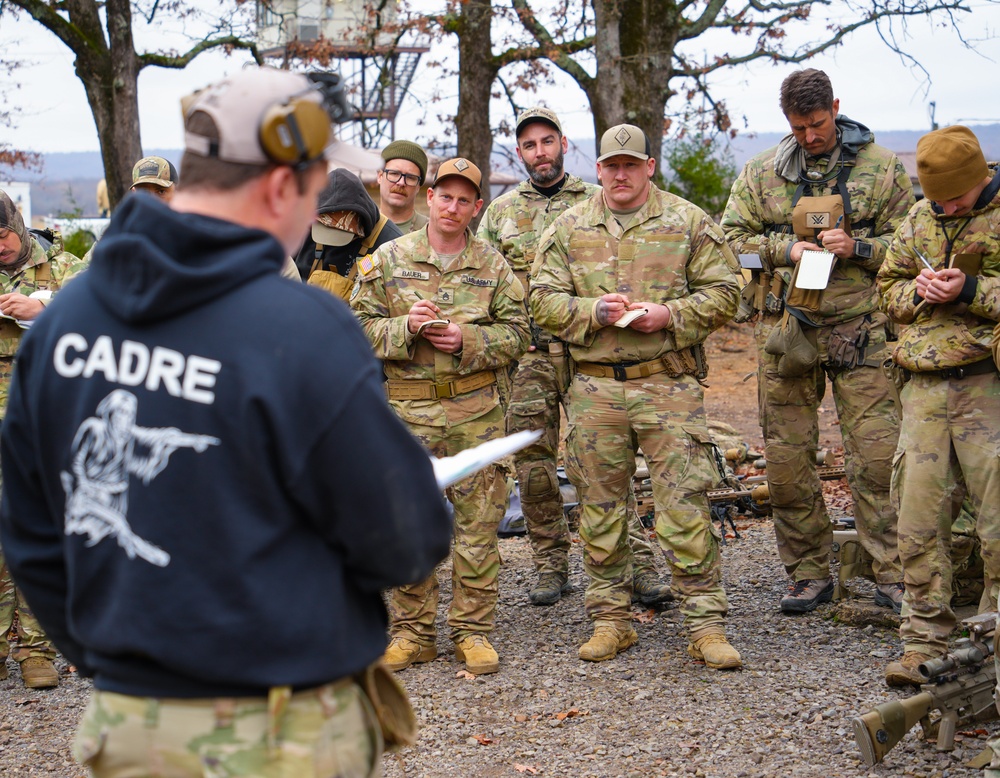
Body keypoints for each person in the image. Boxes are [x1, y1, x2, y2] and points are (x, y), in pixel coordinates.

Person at [0, 67, 451, 776]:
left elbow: (28, 530)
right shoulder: (304, 330)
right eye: (313, 197)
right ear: (279, 187)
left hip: (130, 727)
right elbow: (406, 540)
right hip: (281, 730)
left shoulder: (66, 324)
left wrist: (109, 658)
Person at [530, 124, 743, 668]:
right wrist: (589, 311)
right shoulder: (568, 227)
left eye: (631, 164)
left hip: (667, 383)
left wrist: (672, 315)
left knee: (684, 506)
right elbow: (540, 298)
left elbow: (727, 291)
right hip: (595, 387)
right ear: (598, 170)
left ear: (649, 166)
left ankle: (705, 625)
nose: (620, 174)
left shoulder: (687, 221)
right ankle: (611, 620)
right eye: (611, 165)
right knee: (600, 510)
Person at [721, 68, 913, 615]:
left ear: (835, 106)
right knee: (786, 461)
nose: (810, 136)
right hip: (788, 331)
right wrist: (787, 251)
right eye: (798, 126)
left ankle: (893, 572)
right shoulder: (762, 173)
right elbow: (731, 244)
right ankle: (807, 572)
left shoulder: (880, 169)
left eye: (818, 123)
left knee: (877, 458)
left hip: (862, 331)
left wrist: (859, 248)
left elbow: (912, 242)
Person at [478, 106, 672, 609]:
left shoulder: (594, 201)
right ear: (519, 152)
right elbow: (482, 284)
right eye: (528, 145)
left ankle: (637, 563)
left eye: (547, 142)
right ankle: (550, 563)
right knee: (534, 463)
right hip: (531, 357)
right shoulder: (501, 214)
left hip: (592, 353)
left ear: (563, 144)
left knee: (603, 463)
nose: (539, 153)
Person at [351, 158, 530, 676]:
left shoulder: (494, 265)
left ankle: (472, 632)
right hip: (407, 414)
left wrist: (470, 340)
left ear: (477, 207)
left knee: (478, 528)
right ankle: (412, 634)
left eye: (464, 200)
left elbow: (521, 334)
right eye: (444, 196)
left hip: (476, 412)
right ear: (430, 198)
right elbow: (357, 328)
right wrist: (404, 327)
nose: (453, 207)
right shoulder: (387, 260)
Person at [876, 125, 999, 687]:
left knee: (997, 525)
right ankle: (923, 639)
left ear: (980, 179)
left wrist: (970, 291)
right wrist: (919, 291)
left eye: (954, 198)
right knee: (918, 521)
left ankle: (993, 643)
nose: (945, 207)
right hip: (923, 388)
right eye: (936, 198)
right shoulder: (921, 217)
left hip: (987, 387)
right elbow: (888, 285)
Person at [0, 189, 85, 689]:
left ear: (19, 223)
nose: (0, 246)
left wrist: (40, 309)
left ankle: (36, 649)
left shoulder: (66, 266)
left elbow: (101, 319)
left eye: (4, 234)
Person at [293, 167, 402, 293]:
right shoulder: (304, 231)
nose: (331, 241)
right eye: (325, 229)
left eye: (340, 233)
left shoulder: (392, 244)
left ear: (361, 222)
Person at [379, 140, 429, 233]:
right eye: (394, 174)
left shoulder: (431, 232)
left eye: (410, 177)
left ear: (418, 186)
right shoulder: (361, 228)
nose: (401, 183)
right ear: (380, 176)